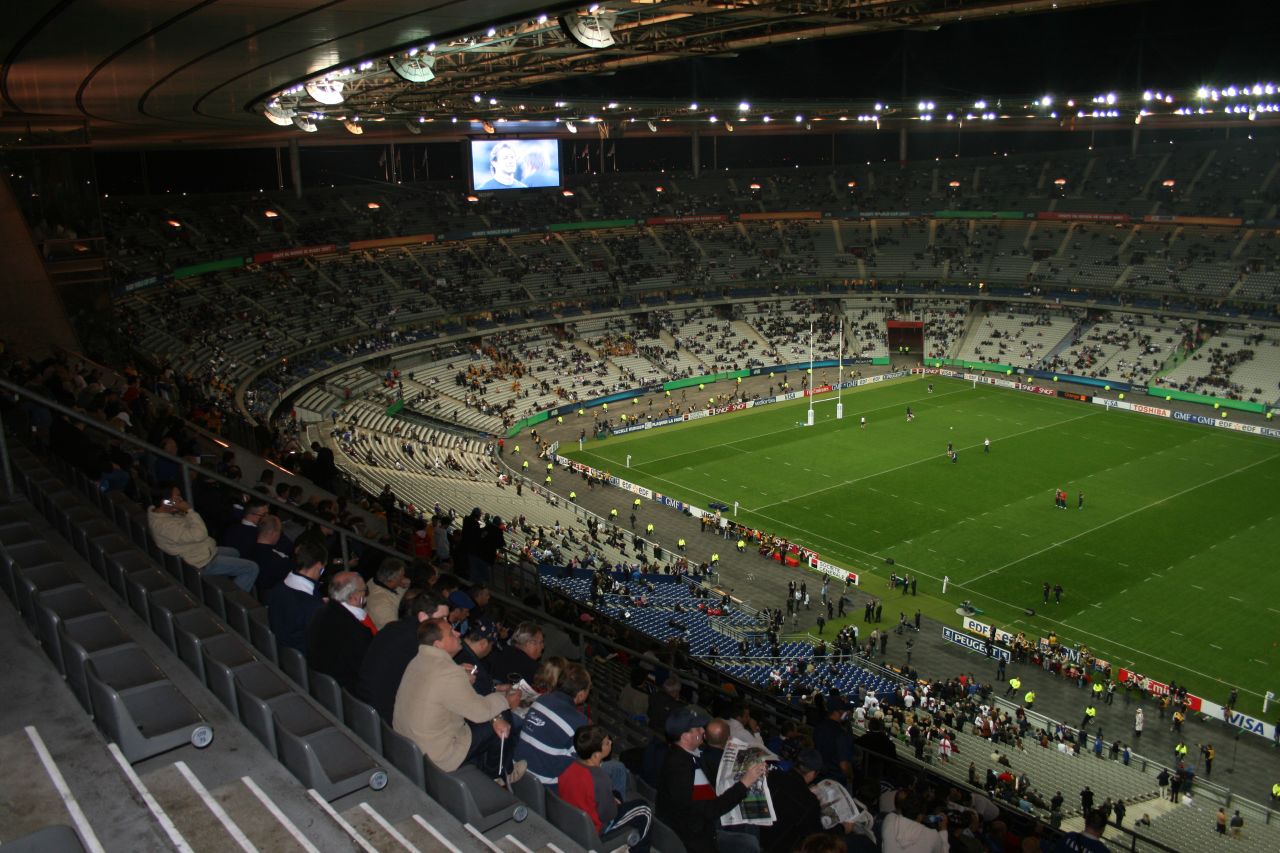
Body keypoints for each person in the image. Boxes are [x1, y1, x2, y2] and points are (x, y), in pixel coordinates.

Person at [393, 618, 524, 775]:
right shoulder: (449, 674)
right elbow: (480, 712)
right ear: (437, 645)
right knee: (503, 719)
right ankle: (498, 775)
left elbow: (440, 687)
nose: (458, 633)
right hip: (435, 756)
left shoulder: (417, 660)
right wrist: (506, 700)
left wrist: (461, 676)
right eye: (451, 633)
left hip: (406, 744)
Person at [655, 706, 766, 853]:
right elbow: (711, 810)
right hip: (696, 837)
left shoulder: (681, 755)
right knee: (750, 842)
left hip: (690, 823)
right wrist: (744, 783)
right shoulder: (682, 769)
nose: (702, 730)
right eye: (697, 728)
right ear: (685, 736)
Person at [147, 481, 259, 592]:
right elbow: (200, 534)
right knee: (252, 568)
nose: (181, 499)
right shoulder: (165, 526)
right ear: (166, 502)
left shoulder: (161, 513)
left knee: (235, 552)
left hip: (199, 551)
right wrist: (189, 510)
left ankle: (227, 582)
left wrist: (179, 510)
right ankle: (236, 599)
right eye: (177, 496)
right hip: (201, 562)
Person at [357, 589, 449, 721]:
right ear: (423, 617)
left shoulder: (394, 627)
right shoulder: (419, 644)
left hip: (362, 702)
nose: (446, 624)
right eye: (441, 618)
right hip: (384, 716)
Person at [558, 725, 652, 851]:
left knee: (616, 794)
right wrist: (613, 803)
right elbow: (609, 815)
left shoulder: (568, 768)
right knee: (644, 809)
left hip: (574, 820)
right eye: (607, 743)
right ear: (596, 754)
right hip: (596, 830)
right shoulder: (600, 778)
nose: (611, 743)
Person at [515, 662, 594, 786]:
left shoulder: (541, 699)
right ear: (581, 694)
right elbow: (579, 761)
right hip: (545, 785)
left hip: (518, 772)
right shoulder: (579, 722)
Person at [306, 571, 376, 691]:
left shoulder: (319, 611)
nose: (366, 595)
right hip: (345, 691)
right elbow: (368, 671)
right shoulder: (358, 631)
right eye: (364, 591)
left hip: (319, 682)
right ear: (354, 597)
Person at [265, 542, 327, 654]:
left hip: (282, 652)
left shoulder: (278, 588)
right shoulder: (312, 605)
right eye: (322, 570)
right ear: (318, 566)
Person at [881, 791, 947, 853]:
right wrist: (943, 829)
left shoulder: (890, 818)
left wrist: (922, 817)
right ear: (920, 816)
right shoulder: (932, 836)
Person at [487, 621, 545, 685]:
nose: (543, 647)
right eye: (541, 642)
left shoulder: (498, 650)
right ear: (529, 643)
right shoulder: (535, 669)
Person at [366, 559, 410, 630]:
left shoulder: (372, 581)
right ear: (392, 580)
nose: (403, 578)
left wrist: (404, 586)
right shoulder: (382, 604)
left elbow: (393, 591)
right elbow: (394, 630)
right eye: (402, 576)